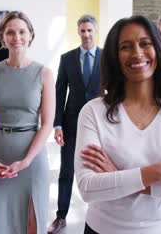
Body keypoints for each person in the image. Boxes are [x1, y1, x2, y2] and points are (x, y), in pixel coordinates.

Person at [75, 15, 161, 234]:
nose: (137, 53)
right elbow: (88, 188)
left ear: (158, 48)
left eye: (145, 44)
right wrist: (160, 171)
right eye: (126, 47)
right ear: (114, 57)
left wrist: (117, 177)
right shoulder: (93, 111)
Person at [0, 11, 55, 234]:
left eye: (22, 31)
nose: (16, 37)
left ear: (30, 35)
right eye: (10, 32)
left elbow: (47, 123)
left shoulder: (44, 73)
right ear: (3, 37)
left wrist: (26, 161)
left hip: (32, 156)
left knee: (32, 221)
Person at [48, 14, 101, 234]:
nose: (86, 34)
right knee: (67, 171)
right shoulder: (67, 58)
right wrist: (57, 124)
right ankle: (61, 216)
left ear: (95, 31)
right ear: (78, 32)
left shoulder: (108, 57)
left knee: (100, 171)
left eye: (90, 30)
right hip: (71, 123)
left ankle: (99, 214)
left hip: (100, 124)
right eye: (82, 30)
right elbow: (59, 93)